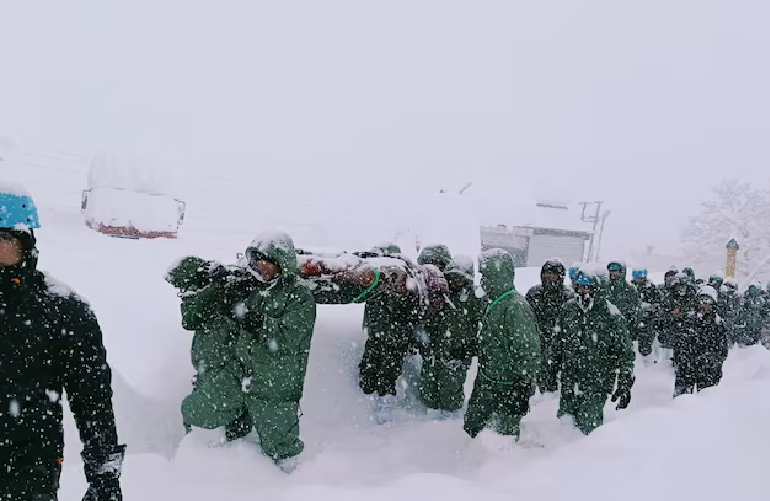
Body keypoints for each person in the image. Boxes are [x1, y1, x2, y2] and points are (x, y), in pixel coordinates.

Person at [0, 187, 125, 500]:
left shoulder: (62, 309)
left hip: (28, 465)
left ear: (25, 243)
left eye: (3, 240)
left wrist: (103, 475)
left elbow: (92, 398)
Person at [167, 232, 316, 471]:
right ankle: (205, 463)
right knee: (205, 412)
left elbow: (291, 337)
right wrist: (219, 290)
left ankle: (293, 478)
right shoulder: (248, 284)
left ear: (282, 263)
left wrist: (256, 321)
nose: (262, 267)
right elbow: (194, 318)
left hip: (277, 378)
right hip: (241, 371)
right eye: (257, 261)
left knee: (281, 441)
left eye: (268, 262)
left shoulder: (298, 295)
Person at [464, 249, 541, 441]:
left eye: (487, 275)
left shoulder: (515, 306)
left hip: (507, 388)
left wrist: (522, 386)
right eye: (483, 275)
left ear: (500, 275)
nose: (484, 281)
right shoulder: (494, 302)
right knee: (474, 429)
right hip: (488, 383)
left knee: (501, 439)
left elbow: (527, 350)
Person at [548, 271, 635, 435]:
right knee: (565, 426)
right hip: (570, 380)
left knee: (588, 428)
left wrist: (624, 382)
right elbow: (557, 342)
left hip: (597, 382)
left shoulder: (611, 315)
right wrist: (551, 369)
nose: (583, 292)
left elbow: (625, 352)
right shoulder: (568, 309)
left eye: (588, 288)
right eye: (580, 287)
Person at [417, 246, 482, 415]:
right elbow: (427, 318)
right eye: (452, 277)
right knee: (428, 389)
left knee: (450, 393)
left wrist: (470, 347)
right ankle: (427, 421)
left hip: (458, 354)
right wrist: (425, 341)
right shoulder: (439, 294)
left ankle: (449, 422)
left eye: (460, 278)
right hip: (434, 350)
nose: (456, 282)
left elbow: (483, 326)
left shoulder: (474, 299)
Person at [525, 259, 574, 392]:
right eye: (546, 273)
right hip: (536, 341)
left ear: (560, 276)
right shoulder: (534, 293)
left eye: (553, 273)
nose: (549, 276)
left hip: (558, 344)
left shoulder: (568, 297)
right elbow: (526, 317)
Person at [673, 286, 729, 396]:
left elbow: (722, 350)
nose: (703, 304)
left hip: (708, 369)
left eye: (707, 301)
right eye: (701, 300)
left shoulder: (718, 324)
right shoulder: (688, 320)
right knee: (682, 399)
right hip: (687, 367)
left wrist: (714, 364)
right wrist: (680, 360)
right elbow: (679, 342)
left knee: (707, 399)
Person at [606, 261, 643, 344]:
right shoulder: (605, 287)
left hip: (624, 328)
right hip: (607, 328)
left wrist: (631, 327)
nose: (613, 273)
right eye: (611, 270)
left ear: (622, 271)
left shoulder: (630, 289)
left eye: (615, 270)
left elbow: (636, 310)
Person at [630, 268, 664, 358]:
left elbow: (659, 304)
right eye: (637, 277)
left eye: (641, 277)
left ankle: (648, 359)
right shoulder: (629, 288)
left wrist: (650, 309)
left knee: (646, 345)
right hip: (632, 320)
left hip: (648, 321)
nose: (639, 279)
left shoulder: (652, 289)